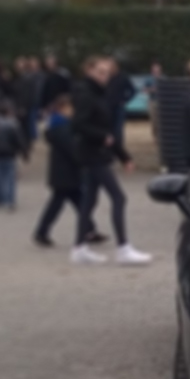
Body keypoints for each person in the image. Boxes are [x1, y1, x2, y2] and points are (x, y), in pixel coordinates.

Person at [68, 55, 151, 265]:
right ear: (89, 72)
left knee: (89, 201)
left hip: (95, 152)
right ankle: (123, 247)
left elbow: (105, 130)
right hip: (93, 154)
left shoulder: (98, 94)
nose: (105, 77)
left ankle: (80, 247)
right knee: (118, 197)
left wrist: (123, 155)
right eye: (100, 72)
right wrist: (103, 138)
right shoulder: (87, 95)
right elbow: (79, 124)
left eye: (107, 73)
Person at [32, 94, 84, 247]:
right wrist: (82, 159)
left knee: (77, 201)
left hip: (63, 172)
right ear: (63, 109)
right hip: (65, 172)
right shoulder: (62, 127)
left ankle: (89, 228)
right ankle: (42, 231)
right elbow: (71, 148)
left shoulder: (58, 126)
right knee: (61, 203)